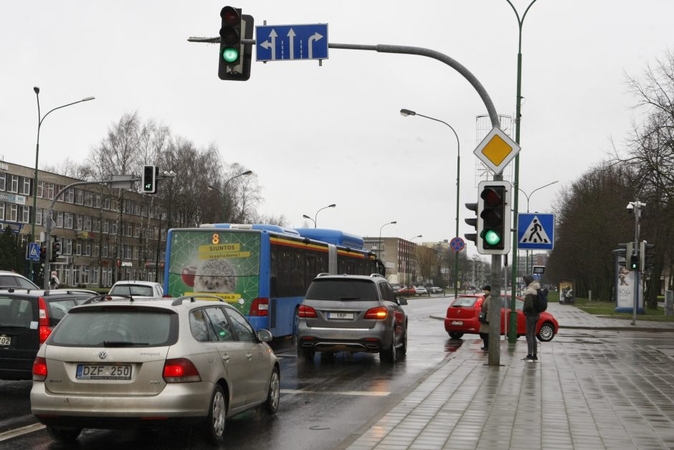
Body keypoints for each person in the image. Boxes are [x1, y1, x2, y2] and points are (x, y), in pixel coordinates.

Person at [522, 274, 540, 362]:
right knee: (533, 335)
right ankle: (535, 355)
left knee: (528, 335)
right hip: (537, 315)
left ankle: (529, 355)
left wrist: (524, 310)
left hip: (531, 315)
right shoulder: (537, 289)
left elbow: (528, 305)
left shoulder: (530, 291)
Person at [479, 285, 491, 351]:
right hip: (485, 317)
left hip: (486, 318)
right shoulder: (487, 297)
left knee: (485, 333)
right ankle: (486, 346)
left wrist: (488, 319)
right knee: (483, 333)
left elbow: (489, 308)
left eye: (485, 290)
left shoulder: (489, 298)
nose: (484, 291)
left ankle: (487, 346)